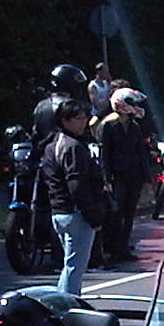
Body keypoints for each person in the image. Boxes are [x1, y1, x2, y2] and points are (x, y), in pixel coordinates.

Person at [39, 99, 112, 295]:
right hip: (75, 213)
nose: (84, 121)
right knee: (75, 266)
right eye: (78, 118)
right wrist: (93, 217)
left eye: (84, 117)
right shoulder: (73, 147)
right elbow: (77, 185)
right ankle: (68, 305)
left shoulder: (52, 145)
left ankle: (62, 300)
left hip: (59, 212)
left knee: (70, 264)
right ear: (65, 121)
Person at [97, 88, 154, 258]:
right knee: (117, 212)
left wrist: (147, 177)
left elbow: (141, 153)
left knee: (130, 212)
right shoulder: (108, 126)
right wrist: (106, 179)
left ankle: (124, 246)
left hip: (134, 174)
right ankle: (114, 247)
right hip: (118, 175)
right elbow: (104, 154)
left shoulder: (135, 127)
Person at [33, 64, 89, 146]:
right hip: (68, 150)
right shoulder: (72, 106)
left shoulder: (41, 106)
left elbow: (36, 134)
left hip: (46, 151)